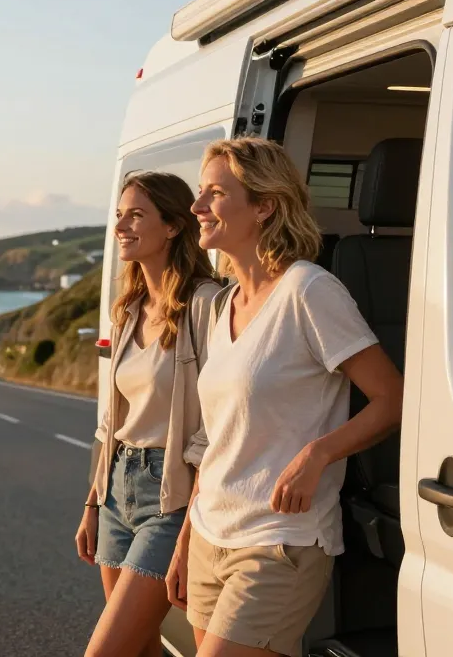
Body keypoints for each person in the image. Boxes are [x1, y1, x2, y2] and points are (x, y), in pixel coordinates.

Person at [172, 137, 404, 657]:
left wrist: (318, 453)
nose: (196, 207)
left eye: (215, 192)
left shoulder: (309, 290)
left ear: (265, 205)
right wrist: (188, 537)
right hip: (212, 534)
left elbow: (392, 398)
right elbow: (218, 439)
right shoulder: (224, 302)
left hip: (279, 543)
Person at [77, 170, 221, 657]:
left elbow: (220, 417)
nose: (121, 226)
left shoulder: (205, 305)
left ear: (174, 226)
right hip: (118, 487)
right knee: (138, 648)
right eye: (119, 215)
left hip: (171, 492)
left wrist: (193, 513)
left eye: (137, 215)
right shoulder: (128, 309)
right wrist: (93, 503)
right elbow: (110, 422)